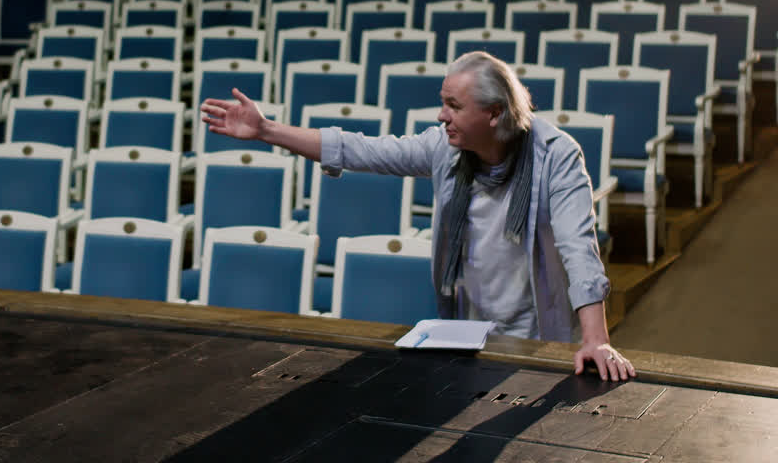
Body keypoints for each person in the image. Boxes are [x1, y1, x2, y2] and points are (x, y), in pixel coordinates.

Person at [200, 51, 636, 381]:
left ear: (494, 113)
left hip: (538, 334)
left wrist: (596, 340)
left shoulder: (556, 155)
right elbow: (360, 150)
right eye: (443, 103)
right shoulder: (444, 147)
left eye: (454, 105)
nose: (442, 116)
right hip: (467, 328)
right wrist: (267, 130)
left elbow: (579, 247)